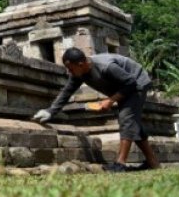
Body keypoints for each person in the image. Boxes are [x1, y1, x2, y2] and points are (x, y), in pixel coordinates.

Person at [32, 47, 160, 172]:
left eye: (70, 69)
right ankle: (152, 162)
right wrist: (50, 111)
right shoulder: (79, 72)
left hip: (137, 83)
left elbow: (131, 83)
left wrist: (110, 100)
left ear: (81, 64)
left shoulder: (106, 67)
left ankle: (120, 163)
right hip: (122, 87)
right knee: (132, 123)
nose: (69, 72)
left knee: (126, 118)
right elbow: (67, 92)